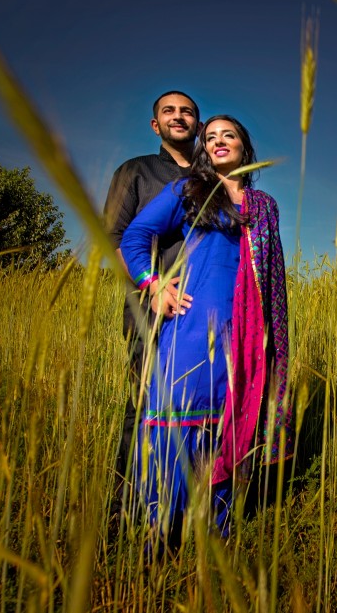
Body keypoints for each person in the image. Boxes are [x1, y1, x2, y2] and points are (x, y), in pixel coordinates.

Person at [120, 114, 291, 546]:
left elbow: (272, 279)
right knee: (177, 420)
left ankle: (214, 535)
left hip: (247, 336)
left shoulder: (264, 204)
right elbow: (135, 235)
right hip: (192, 330)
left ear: (243, 146)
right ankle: (157, 534)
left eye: (228, 135)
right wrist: (153, 284)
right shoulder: (189, 190)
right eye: (210, 136)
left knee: (229, 426)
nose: (218, 142)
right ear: (203, 147)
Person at [103, 91, 200, 521]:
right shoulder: (136, 172)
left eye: (187, 112)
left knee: (199, 409)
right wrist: (154, 285)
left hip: (204, 312)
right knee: (144, 407)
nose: (178, 117)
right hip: (151, 309)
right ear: (155, 125)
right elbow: (112, 240)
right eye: (169, 111)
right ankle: (124, 512)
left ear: (198, 123)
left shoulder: (214, 176)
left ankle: (186, 508)